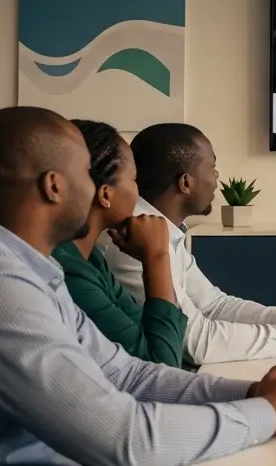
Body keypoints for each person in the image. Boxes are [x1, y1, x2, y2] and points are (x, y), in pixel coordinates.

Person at [0, 107, 276, 466]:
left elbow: (128, 375)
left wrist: (253, 393)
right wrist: (271, 413)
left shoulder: (28, 270)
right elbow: (121, 438)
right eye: (86, 172)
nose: (98, 187)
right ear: (54, 186)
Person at [101, 123, 276, 365]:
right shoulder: (131, 241)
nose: (217, 176)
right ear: (186, 182)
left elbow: (215, 305)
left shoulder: (167, 231)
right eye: (212, 167)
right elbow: (196, 343)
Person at [51, 119, 187, 367]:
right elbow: (162, 366)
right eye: (134, 180)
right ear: (105, 194)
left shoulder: (90, 258)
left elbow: (143, 334)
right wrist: (156, 258)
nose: (138, 192)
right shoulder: (66, 271)